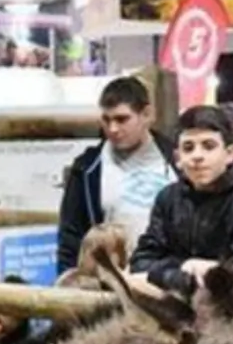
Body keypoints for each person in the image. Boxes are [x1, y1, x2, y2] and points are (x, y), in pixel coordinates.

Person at [131, 105, 233, 296]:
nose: (197, 156)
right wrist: (184, 271)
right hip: (172, 304)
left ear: (230, 154)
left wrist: (172, 270)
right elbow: (141, 262)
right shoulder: (168, 198)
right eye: (188, 148)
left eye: (208, 146)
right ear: (177, 158)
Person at [55, 76, 175, 275]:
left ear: (147, 114)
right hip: (108, 282)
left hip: (167, 280)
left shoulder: (178, 160)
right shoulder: (86, 169)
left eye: (122, 119)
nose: (113, 129)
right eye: (106, 119)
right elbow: (71, 237)